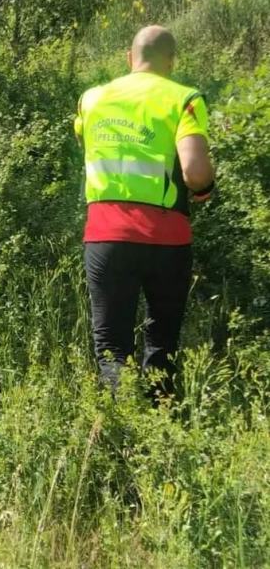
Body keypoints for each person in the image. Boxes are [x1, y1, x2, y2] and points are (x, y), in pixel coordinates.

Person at [74, 26, 215, 399]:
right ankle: (162, 433)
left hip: (106, 237)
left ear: (129, 57)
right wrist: (204, 189)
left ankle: (119, 439)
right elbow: (196, 173)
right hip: (167, 239)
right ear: (171, 61)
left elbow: (86, 143)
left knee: (111, 349)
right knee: (162, 344)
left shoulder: (92, 99)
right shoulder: (183, 98)